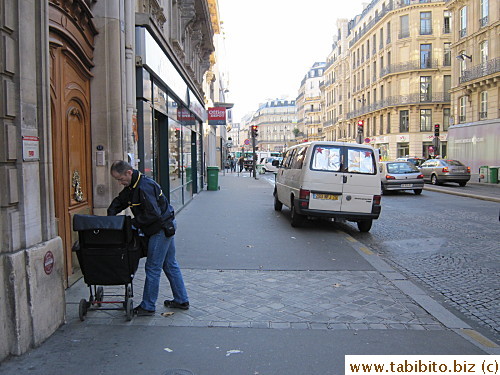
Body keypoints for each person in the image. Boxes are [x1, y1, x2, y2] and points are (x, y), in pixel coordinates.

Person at [107, 160, 189, 316]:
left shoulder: (144, 187)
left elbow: (153, 215)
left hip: (160, 229)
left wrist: (131, 224)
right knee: (170, 264)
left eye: (120, 179)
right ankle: (181, 299)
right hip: (166, 226)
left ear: (129, 172)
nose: (120, 183)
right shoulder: (132, 186)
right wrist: (110, 215)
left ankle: (148, 305)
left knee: (153, 267)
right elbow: (121, 201)